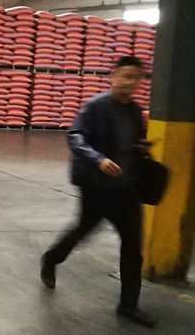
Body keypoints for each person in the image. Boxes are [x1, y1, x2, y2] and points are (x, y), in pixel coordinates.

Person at [41, 56, 155, 328]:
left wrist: (141, 149)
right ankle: (52, 258)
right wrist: (98, 159)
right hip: (98, 187)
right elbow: (75, 136)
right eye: (125, 76)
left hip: (127, 191)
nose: (130, 82)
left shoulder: (136, 112)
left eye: (136, 77)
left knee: (133, 247)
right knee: (82, 230)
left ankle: (129, 305)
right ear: (113, 77)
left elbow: (135, 142)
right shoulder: (95, 107)